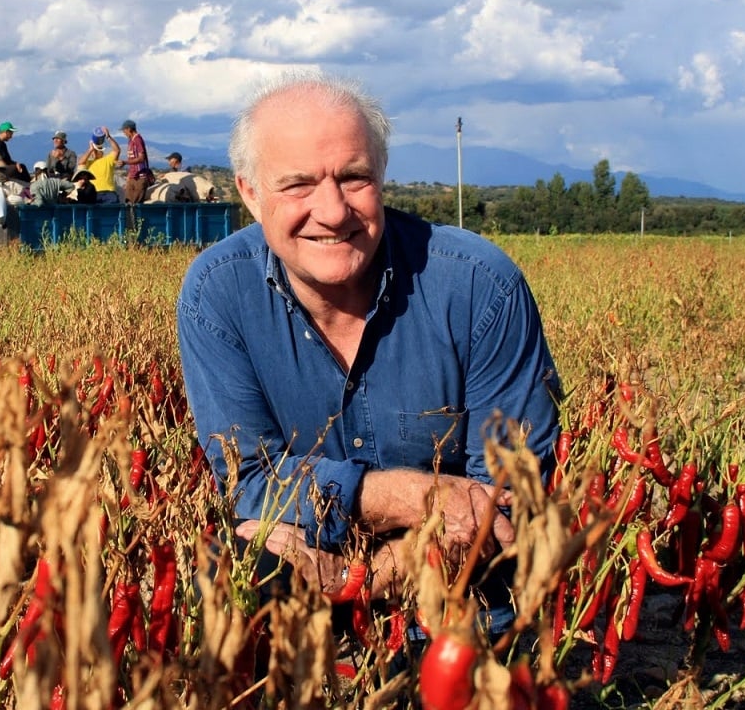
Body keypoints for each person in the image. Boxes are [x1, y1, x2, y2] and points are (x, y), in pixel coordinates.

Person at [176, 73, 561, 636]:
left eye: (354, 178)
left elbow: (507, 504)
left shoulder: (479, 286)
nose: (333, 212)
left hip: (458, 594)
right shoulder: (219, 292)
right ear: (250, 194)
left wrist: (362, 577)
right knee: (228, 572)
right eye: (298, 185)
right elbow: (250, 479)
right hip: (299, 575)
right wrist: (420, 496)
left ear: (382, 176)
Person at [78, 126, 120, 204]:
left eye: (99, 150)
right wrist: (90, 149)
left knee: (112, 210)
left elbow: (116, 150)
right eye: (95, 150)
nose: (96, 152)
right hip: (94, 193)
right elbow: (80, 162)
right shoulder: (88, 163)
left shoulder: (108, 160)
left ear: (102, 152)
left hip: (109, 192)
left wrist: (108, 137)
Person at [117, 119, 154, 204]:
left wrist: (125, 162)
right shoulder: (131, 141)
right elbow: (132, 162)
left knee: (135, 204)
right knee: (128, 202)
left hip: (140, 177)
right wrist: (129, 178)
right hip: (133, 176)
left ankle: (136, 214)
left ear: (129, 129)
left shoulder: (137, 139)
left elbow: (141, 158)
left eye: (124, 130)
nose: (124, 133)